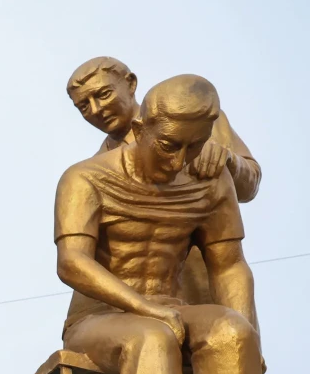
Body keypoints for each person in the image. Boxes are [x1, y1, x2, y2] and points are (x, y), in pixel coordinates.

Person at [54, 74, 261, 374]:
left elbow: (228, 265)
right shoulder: (86, 177)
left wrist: (249, 333)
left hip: (173, 308)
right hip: (98, 320)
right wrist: (144, 307)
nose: (180, 160)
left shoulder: (211, 181)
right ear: (140, 129)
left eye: (194, 146)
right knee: (150, 337)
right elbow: (71, 263)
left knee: (232, 332)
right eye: (168, 146)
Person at [66, 56, 262, 305]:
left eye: (103, 94)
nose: (96, 110)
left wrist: (228, 161)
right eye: (84, 106)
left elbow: (250, 185)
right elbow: (79, 259)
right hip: (133, 310)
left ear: (131, 84)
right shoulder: (96, 171)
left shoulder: (194, 115)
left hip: (204, 284)